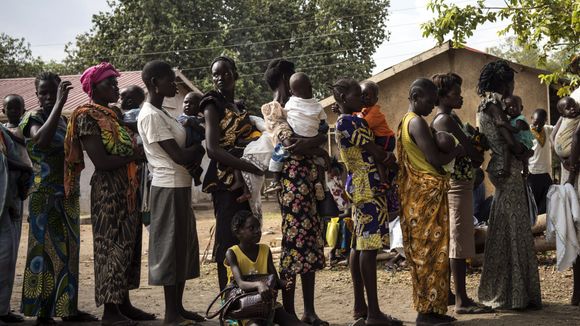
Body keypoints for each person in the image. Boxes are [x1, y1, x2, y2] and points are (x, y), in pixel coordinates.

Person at [64, 62, 154, 326]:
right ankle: (110, 312)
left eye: (116, 83)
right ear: (94, 87)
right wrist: (134, 155)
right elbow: (101, 161)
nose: (116, 87)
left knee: (127, 246)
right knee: (109, 249)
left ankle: (124, 304)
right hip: (107, 193)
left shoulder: (114, 114)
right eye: (110, 83)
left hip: (126, 189)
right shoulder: (86, 116)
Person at [19, 72, 98, 325]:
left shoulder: (64, 121)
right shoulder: (31, 118)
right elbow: (40, 140)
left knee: (68, 252)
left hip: (66, 194)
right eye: (43, 92)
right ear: (37, 94)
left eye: (53, 92)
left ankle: (67, 308)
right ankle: (43, 313)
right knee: (44, 252)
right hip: (44, 196)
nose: (48, 97)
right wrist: (59, 104)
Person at [138, 60, 205, 326]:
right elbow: (178, 155)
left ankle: (178, 307)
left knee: (181, 248)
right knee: (169, 249)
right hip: (167, 187)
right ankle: (171, 314)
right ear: (154, 83)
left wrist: (195, 152)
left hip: (180, 186)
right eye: (168, 79)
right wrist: (200, 149)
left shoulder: (162, 112)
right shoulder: (150, 115)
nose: (173, 85)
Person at [262, 59, 327, 325]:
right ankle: (288, 313)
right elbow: (291, 145)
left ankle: (309, 312)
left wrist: (314, 143)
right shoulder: (274, 109)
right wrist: (318, 147)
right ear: (285, 79)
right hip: (292, 184)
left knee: (309, 242)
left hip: (308, 182)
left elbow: (318, 135)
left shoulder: (300, 109)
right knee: (294, 244)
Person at [332, 78, 401, 326]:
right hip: (369, 186)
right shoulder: (352, 121)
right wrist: (390, 159)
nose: (361, 99)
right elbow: (378, 152)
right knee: (369, 249)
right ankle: (374, 314)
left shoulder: (342, 121)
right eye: (355, 95)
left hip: (358, 185)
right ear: (341, 97)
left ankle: (361, 307)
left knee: (358, 245)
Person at [476, 60, 542, 310]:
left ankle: (512, 292)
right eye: (512, 82)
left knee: (505, 226)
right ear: (504, 82)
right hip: (507, 166)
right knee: (514, 228)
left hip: (502, 167)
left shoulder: (486, 102)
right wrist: (521, 150)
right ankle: (513, 294)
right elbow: (506, 133)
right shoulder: (494, 103)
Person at [397, 78, 463, 325]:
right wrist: (457, 151)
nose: (432, 104)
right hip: (426, 200)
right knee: (430, 255)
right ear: (415, 96)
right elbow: (435, 159)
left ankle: (432, 309)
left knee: (429, 254)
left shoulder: (405, 122)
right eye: (430, 99)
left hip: (418, 199)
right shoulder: (417, 123)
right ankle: (426, 313)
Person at [200, 56, 264, 292]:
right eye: (216, 74)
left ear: (235, 75)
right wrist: (249, 166)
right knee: (227, 239)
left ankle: (245, 295)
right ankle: (228, 298)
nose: (220, 78)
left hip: (244, 179)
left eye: (225, 73)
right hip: (225, 181)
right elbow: (213, 149)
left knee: (246, 237)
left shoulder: (239, 106)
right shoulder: (211, 104)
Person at [430, 72, 490, 314]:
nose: (461, 96)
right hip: (456, 186)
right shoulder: (445, 120)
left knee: (457, 240)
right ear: (442, 96)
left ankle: (455, 295)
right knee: (458, 242)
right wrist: (475, 150)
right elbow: (472, 153)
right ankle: (462, 301)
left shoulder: (448, 118)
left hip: (459, 185)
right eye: (456, 93)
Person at [224, 210, 308, 326]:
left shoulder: (265, 250)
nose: (257, 231)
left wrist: (284, 284)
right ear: (238, 232)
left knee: (294, 323)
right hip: (243, 306)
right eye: (251, 228)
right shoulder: (232, 253)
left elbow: (274, 280)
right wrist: (259, 285)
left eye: (258, 227)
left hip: (266, 303)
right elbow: (241, 283)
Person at [264, 72, 330, 198]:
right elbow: (323, 126)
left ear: (292, 91)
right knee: (320, 160)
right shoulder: (317, 105)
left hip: (296, 139)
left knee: (278, 153)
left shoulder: (289, 104)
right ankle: (321, 184)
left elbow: (289, 144)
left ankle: (275, 180)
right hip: (312, 139)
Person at [0, 96, 32, 324]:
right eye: (8, 107)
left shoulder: (7, 133)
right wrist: (26, 169)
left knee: (8, 257)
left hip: (10, 200)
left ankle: (3, 308)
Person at [551, 95, 580, 305]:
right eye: (567, 107)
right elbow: (554, 137)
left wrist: (567, 165)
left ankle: (577, 292)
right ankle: (577, 292)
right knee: (574, 229)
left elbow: (575, 140)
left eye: (573, 105)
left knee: (575, 229)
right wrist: (563, 158)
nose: (572, 108)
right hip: (571, 173)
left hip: (571, 173)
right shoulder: (564, 119)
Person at [356, 81, 399, 215]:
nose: (365, 98)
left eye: (369, 96)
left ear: (376, 99)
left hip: (385, 138)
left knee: (380, 158)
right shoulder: (364, 110)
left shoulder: (374, 112)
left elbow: (363, 123)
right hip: (380, 138)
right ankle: (386, 179)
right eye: (362, 95)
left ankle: (385, 182)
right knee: (379, 159)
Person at [497, 95, 534, 176]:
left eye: (514, 106)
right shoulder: (511, 119)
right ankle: (525, 169)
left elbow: (515, 130)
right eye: (508, 106)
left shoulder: (520, 119)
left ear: (521, 108)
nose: (511, 109)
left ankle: (506, 170)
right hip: (520, 143)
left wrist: (503, 123)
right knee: (522, 156)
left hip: (524, 144)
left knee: (506, 147)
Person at [527, 108, 554, 214]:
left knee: (547, 203)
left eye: (541, 123)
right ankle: (532, 228)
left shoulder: (547, 129)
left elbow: (559, 128)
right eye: (536, 123)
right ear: (531, 118)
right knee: (533, 204)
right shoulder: (526, 132)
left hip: (546, 173)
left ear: (546, 121)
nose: (538, 126)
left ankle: (541, 227)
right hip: (532, 173)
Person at [176, 91, 205, 185]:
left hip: (195, 146)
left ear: (199, 108)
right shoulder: (180, 118)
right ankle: (195, 172)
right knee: (188, 165)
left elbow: (204, 133)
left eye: (192, 103)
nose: (187, 105)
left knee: (200, 154)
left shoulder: (198, 120)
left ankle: (196, 171)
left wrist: (192, 123)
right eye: (186, 102)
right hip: (185, 146)